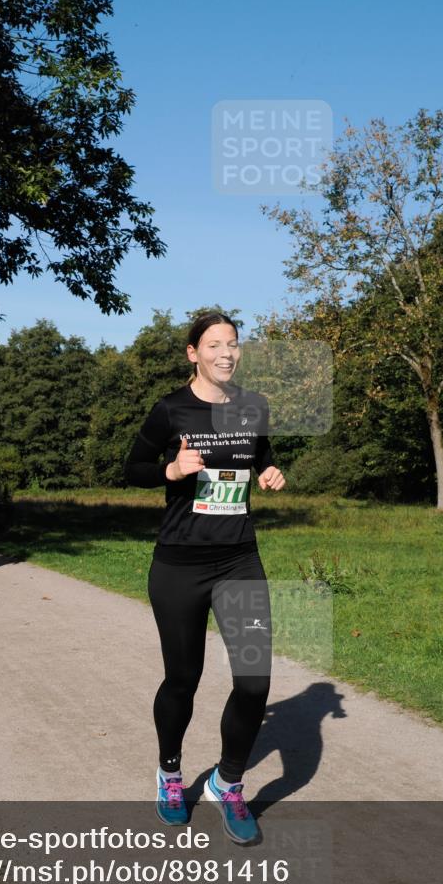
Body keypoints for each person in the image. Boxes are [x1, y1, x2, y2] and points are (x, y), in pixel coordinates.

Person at [124, 311, 286, 844]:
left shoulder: (253, 407)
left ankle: (228, 783)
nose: (226, 353)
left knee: (254, 680)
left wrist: (269, 471)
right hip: (180, 564)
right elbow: (132, 468)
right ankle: (170, 776)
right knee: (183, 678)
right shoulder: (170, 409)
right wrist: (170, 471)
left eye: (232, 343)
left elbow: (261, 456)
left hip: (239, 560)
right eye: (214, 344)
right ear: (193, 353)